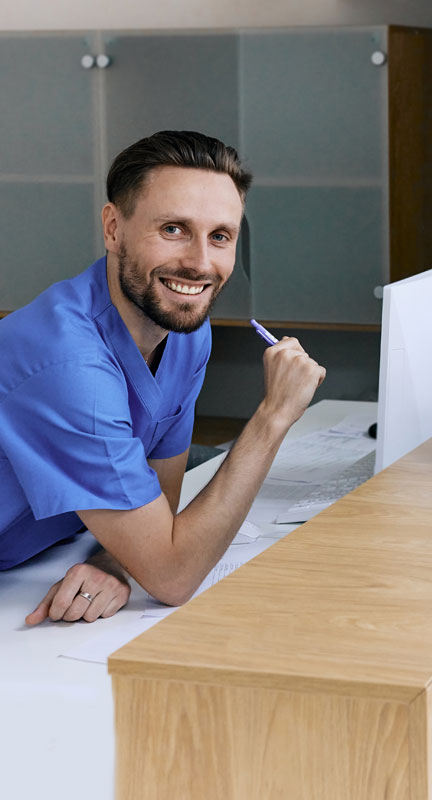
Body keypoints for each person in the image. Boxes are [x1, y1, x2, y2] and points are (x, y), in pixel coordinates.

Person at [0, 130, 326, 625]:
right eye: (173, 229)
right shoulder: (68, 365)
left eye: (221, 236)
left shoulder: (182, 325)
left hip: (37, 561)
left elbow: (160, 502)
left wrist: (116, 561)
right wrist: (274, 416)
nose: (199, 264)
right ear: (113, 228)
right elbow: (173, 577)